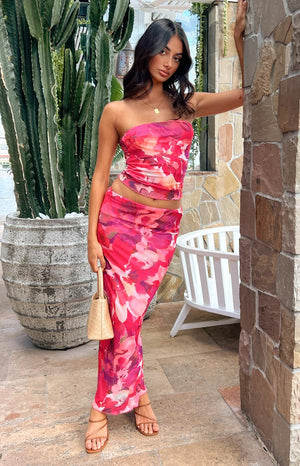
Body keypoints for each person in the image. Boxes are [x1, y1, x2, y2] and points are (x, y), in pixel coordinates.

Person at [85, 0, 247, 454]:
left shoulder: (186, 105)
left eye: (178, 57)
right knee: (125, 318)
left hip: (160, 230)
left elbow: (246, 94)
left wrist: (237, 38)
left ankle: (133, 396)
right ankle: (109, 405)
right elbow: (100, 177)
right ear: (146, 51)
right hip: (119, 224)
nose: (169, 63)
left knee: (130, 318)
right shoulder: (116, 110)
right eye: (164, 53)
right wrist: (90, 238)